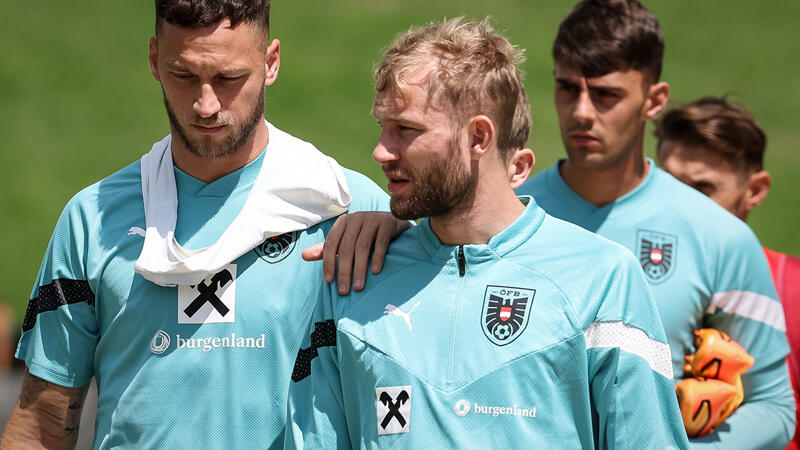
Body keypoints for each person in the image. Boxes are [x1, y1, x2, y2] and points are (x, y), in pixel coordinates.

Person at [0, 1, 408, 448]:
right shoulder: (91, 220)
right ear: (155, 60)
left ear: (271, 63)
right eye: (184, 76)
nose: (206, 104)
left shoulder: (350, 210)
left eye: (229, 79)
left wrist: (404, 229)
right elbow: (41, 426)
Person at [285, 17, 688, 449]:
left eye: (406, 130)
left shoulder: (604, 279)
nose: (380, 150)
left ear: (478, 136)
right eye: (383, 126)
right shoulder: (355, 272)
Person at [516, 0, 795, 447]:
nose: (582, 111)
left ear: (655, 100)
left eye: (606, 95)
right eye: (568, 89)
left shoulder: (720, 236)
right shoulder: (507, 216)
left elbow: (774, 408)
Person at [655, 96, 800, 449]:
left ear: (755, 190)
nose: (681, 207)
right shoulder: (628, 278)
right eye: (668, 185)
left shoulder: (793, 292)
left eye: (703, 189)